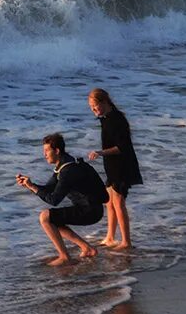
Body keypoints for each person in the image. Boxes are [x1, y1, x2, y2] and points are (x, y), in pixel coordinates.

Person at [16, 132, 108, 265]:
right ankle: (87, 249)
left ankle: (65, 257)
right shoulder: (66, 164)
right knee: (53, 219)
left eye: (47, 151)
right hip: (91, 208)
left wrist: (33, 188)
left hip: (90, 211)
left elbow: (53, 200)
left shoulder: (68, 171)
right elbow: (49, 189)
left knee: (45, 217)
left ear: (57, 151)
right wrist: (30, 185)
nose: (45, 154)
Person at [86, 88, 143, 250]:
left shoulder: (116, 120)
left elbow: (122, 147)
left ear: (104, 102)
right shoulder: (105, 118)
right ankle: (110, 237)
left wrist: (100, 152)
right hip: (112, 166)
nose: (93, 109)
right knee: (109, 202)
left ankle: (126, 241)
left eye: (95, 105)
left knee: (118, 202)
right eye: (91, 107)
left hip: (122, 166)